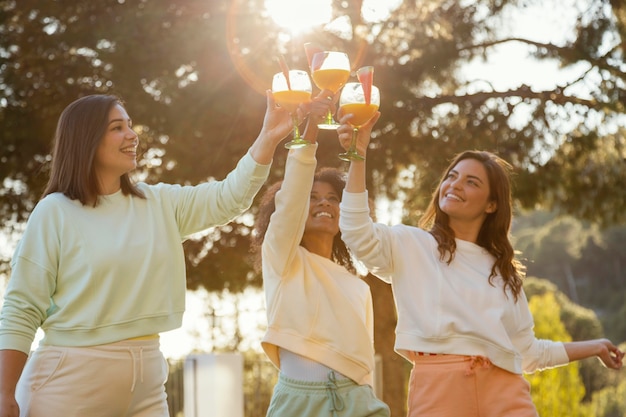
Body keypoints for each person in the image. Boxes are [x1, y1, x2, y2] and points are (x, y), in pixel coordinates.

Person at [0, 91, 298, 417]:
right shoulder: (54, 212)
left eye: (130, 125)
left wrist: (268, 138)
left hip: (148, 379)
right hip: (70, 380)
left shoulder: (160, 204)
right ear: (86, 139)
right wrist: (4, 393)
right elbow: (22, 307)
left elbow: (230, 197)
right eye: (117, 128)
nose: (132, 135)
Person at [335, 111, 624, 417]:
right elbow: (356, 232)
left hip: (506, 394)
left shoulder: (504, 274)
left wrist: (594, 346)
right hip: (440, 391)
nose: (454, 185)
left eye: (471, 182)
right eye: (451, 176)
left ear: (491, 204)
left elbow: (530, 354)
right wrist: (358, 154)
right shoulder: (411, 245)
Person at [251, 91, 390, 417]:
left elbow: (363, 363)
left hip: (359, 401)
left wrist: (358, 151)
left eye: (332, 197)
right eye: (313, 197)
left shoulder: (358, 286)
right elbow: (292, 197)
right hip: (300, 401)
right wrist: (311, 128)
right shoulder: (283, 257)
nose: (325, 202)